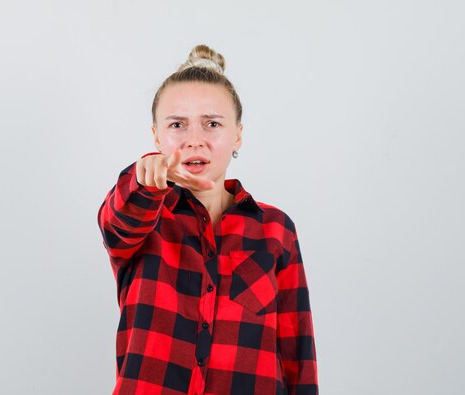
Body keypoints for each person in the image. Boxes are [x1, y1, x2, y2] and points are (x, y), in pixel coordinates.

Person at [97, 44, 318, 395]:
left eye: (212, 124)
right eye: (177, 125)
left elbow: (297, 352)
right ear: (156, 137)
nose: (194, 140)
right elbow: (117, 221)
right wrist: (144, 179)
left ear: (237, 136)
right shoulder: (143, 213)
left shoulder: (276, 229)